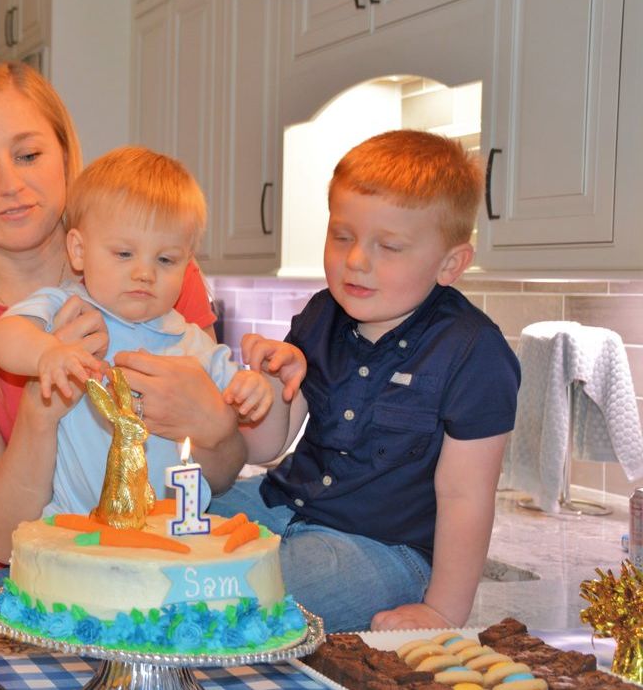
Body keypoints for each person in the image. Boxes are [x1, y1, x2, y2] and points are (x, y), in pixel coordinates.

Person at [0, 61, 254, 604]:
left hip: (167, 548)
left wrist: (218, 426)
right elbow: (0, 536)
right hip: (16, 573)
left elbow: (217, 477)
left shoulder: (154, 272)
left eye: (29, 155)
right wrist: (41, 405)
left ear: (65, 157)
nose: (11, 185)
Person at [215, 130, 521, 633]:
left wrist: (442, 611)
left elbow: (467, 496)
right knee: (168, 527)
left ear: (451, 264)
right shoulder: (321, 314)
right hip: (275, 505)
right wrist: (269, 383)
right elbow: (264, 449)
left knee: (245, 592)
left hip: (380, 552)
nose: (356, 259)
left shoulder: (474, 352)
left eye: (389, 247)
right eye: (342, 236)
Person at [0, 146, 275, 516]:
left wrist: (252, 389)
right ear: (78, 250)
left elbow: (235, 405)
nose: (144, 273)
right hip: (75, 531)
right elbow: (2, 337)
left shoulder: (191, 343)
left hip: (167, 531)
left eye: (165, 260)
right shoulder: (67, 310)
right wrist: (46, 353)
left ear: (187, 265)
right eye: (124, 254)